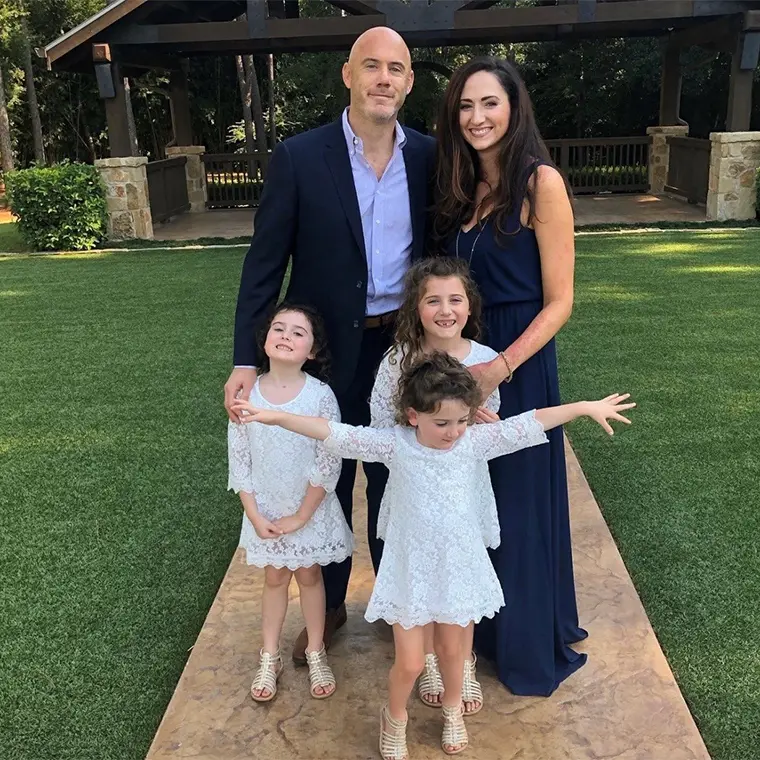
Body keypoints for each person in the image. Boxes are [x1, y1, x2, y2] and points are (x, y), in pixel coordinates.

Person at [231, 353, 634, 759]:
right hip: (413, 572)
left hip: (460, 567)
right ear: (412, 415)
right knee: (409, 663)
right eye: (442, 423)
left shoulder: (474, 441)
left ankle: (453, 710)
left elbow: (528, 423)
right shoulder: (394, 445)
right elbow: (334, 433)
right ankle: (395, 717)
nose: (453, 432)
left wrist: (584, 408)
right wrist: (275, 417)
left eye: (461, 421)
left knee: (455, 654)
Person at [223, 26, 436, 665]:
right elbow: (264, 263)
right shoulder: (299, 156)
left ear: (408, 82)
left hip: (400, 348)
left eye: (396, 68)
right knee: (330, 474)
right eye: (371, 66)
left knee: (397, 474)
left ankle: (404, 604)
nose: (383, 78)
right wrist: (244, 357)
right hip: (327, 353)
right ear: (348, 75)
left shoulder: (428, 156)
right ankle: (332, 606)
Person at [433, 56, 583, 696]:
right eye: (466, 107)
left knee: (517, 506)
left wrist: (501, 366)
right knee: (470, 504)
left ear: (514, 108)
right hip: (464, 364)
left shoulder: (538, 182)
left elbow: (561, 300)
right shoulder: (461, 185)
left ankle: (522, 644)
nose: (477, 118)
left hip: (516, 364)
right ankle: (478, 637)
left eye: (489, 104)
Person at [369, 256, 501, 716]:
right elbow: (380, 425)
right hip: (415, 491)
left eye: (455, 299)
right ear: (416, 307)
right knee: (420, 577)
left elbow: (482, 432)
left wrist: (487, 424)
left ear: (469, 306)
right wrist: (420, 427)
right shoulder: (397, 361)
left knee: (458, 574)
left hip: (462, 491)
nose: (445, 310)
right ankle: (424, 659)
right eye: (433, 300)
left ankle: (460, 663)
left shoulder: (486, 360)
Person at [227, 303, 353, 703]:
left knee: (310, 575)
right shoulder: (248, 394)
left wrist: (303, 513)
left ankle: (316, 649)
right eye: (278, 328)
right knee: (275, 578)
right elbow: (239, 458)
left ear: (312, 351)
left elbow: (329, 456)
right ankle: (270, 656)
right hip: (265, 508)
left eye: (299, 332)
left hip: (307, 507)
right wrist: (253, 512)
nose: (286, 335)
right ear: (264, 340)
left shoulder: (320, 396)